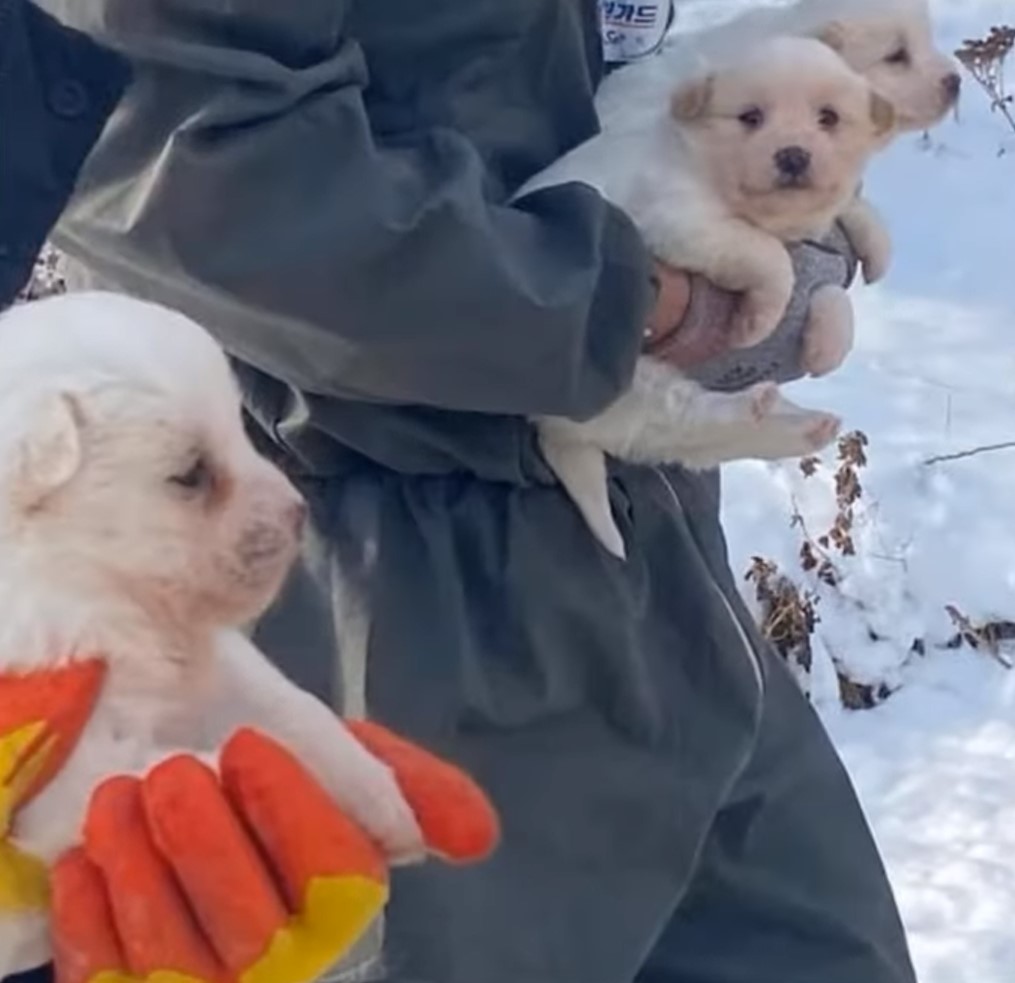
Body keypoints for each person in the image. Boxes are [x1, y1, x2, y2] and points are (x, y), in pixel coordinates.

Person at [17, 1, 917, 981]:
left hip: (641, 545)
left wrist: (733, 209)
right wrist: (641, 304)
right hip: (387, 580)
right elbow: (184, 158)